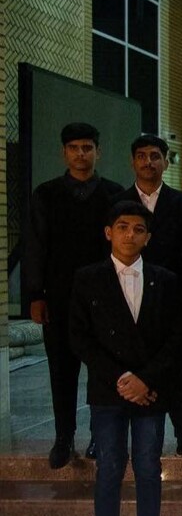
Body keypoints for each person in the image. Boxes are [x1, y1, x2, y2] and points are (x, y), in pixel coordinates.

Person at [70, 201, 182, 516]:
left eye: (138, 229)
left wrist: (146, 379)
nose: (129, 235)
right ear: (108, 232)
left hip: (150, 390)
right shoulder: (87, 278)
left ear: (148, 237)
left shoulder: (166, 280)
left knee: (148, 466)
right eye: (122, 227)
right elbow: (80, 337)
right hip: (108, 390)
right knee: (109, 468)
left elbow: (176, 337)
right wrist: (122, 379)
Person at [22, 122, 124, 469]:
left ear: (98, 152)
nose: (81, 154)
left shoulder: (113, 194)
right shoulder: (46, 194)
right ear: (64, 152)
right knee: (61, 370)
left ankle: (100, 435)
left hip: (104, 297)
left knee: (103, 370)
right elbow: (35, 246)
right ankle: (63, 437)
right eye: (74, 148)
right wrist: (35, 294)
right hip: (59, 296)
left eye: (87, 148)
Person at [113, 133, 182, 457]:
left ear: (165, 161)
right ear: (132, 161)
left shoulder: (181, 203)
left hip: (171, 296)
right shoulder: (119, 201)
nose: (148, 162)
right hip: (127, 293)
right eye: (141, 156)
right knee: (126, 361)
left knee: (179, 366)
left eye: (154, 156)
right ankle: (108, 435)